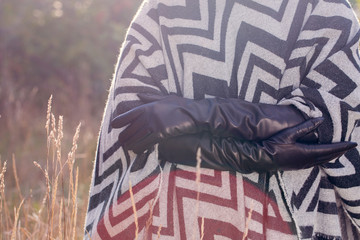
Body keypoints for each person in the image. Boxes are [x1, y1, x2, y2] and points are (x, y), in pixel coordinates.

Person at [85, 0, 360, 239]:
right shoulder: (163, 9)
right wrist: (265, 153)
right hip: (181, 219)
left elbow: (326, 121)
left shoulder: (323, 9)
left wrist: (195, 114)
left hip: (279, 219)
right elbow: (135, 129)